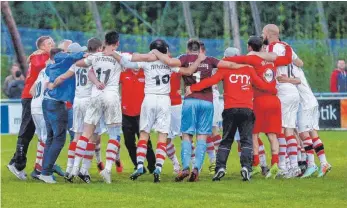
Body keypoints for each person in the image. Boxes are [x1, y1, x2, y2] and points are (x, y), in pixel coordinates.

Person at [109, 39, 206, 183]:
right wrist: (199, 60)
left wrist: (112, 53)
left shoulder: (147, 62)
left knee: (144, 134)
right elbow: (189, 71)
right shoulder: (170, 63)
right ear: (165, 50)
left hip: (148, 99)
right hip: (164, 100)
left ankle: (140, 165)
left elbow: (126, 63)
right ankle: (158, 168)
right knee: (163, 135)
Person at [151, 39, 246, 182]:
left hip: (190, 101)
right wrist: (248, 66)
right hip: (207, 102)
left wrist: (155, 52)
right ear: (200, 50)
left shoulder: (184, 58)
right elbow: (231, 64)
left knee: (187, 135)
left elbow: (169, 62)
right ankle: (197, 168)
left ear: (188, 49)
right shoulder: (210, 60)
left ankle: (185, 168)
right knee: (202, 136)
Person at [186, 54, 277, 182]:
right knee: (246, 140)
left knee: (226, 140)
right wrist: (273, 89)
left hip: (230, 109)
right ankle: (246, 167)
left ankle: (220, 168)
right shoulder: (249, 69)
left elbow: (210, 81)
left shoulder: (225, 69)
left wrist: (192, 87)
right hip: (247, 109)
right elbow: (262, 84)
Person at [224, 36, 293, 179]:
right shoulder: (273, 59)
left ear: (250, 47)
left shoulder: (252, 59)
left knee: (254, 134)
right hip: (274, 100)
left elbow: (230, 60)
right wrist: (287, 46)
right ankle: (275, 164)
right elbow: (287, 59)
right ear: (262, 46)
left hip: (259, 100)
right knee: (273, 135)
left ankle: (255, 165)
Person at [49, 39, 107, 183]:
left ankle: (69, 169)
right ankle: (83, 170)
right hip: (90, 101)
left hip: (77, 102)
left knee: (77, 136)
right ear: (98, 48)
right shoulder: (94, 61)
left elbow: (62, 77)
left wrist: (52, 86)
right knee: (92, 137)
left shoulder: (76, 64)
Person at [72, 31, 123, 184]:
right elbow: (132, 63)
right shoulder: (119, 55)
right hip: (111, 96)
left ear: (104, 43)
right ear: (117, 43)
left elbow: (79, 64)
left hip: (95, 96)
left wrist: (87, 58)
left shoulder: (94, 56)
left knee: (86, 133)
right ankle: (107, 169)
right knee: (114, 134)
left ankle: (75, 168)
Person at [7, 36, 54, 180]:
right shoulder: (38, 56)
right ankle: (18, 164)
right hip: (30, 96)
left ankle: (17, 162)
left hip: (34, 97)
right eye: (49, 43)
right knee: (27, 129)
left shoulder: (40, 56)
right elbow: (42, 66)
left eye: (53, 42)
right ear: (42, 46)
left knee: (31, 130)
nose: (52, 44)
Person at [262, 24, 304, 178]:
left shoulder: (270, 48)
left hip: (282, 91)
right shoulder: (287, 47)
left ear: (268, 34)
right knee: (290, 130)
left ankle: (283, 167)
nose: (262, 36)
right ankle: (294, 167)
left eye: (263, 33)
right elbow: (300, 63)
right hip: (293, 91)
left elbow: (268, 66)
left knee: (278, 129)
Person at [40, 45, 86, 183]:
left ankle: (44, 171)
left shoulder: (57, 62)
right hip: (56, 103)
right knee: (59, 139)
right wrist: (86, 54)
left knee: (51, 138)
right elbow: (68, 56)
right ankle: (46, 172)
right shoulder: (66, 59)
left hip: (48, 101)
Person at [279, 64, 332, 178]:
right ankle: (324, 163)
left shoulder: (292, 67)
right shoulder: (292, 67)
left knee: (303, 134)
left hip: (305, 104)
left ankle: (311, 165)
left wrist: (286, 79)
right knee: (313, 134)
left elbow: (297, 80)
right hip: (311, 102)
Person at [119, 54, 156, 174]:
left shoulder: (146, 74)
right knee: (129, 142)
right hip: (126, 113)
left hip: (141, 114)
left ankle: (152, 165)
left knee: (145, 141)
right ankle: (138, 165)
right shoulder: (124, 74)